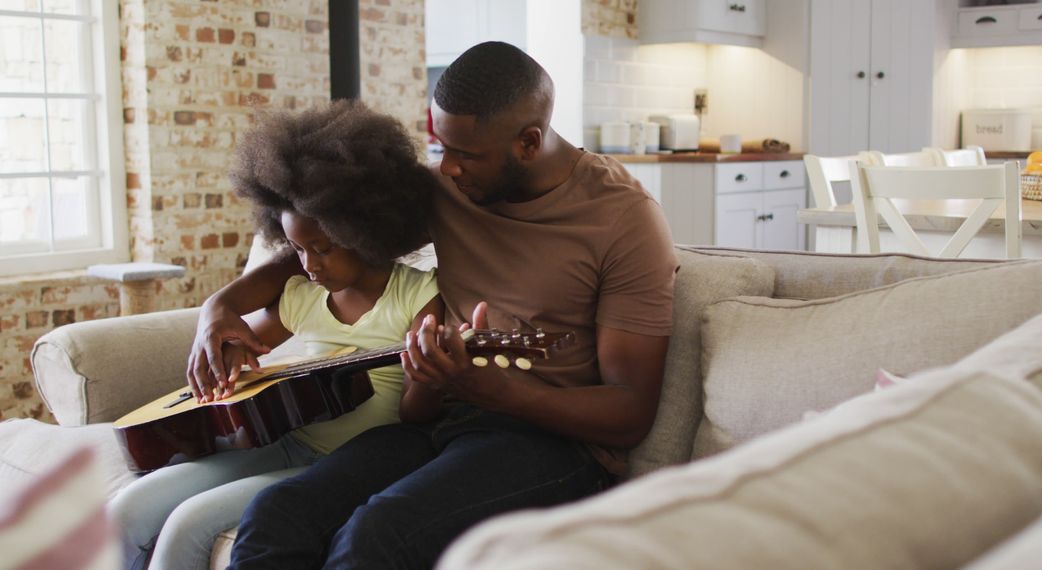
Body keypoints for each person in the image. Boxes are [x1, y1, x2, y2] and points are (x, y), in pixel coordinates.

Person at [189, 41, 678, 569]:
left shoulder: (623, 221)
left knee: (379, 534)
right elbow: (331, 246)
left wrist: (497, 392)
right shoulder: (457, 187)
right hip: (443, 422)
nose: (446, 171)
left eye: (465, 154)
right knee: (277, 512)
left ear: (528, 142)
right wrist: (219, 307)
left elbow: (630, 413)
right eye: (440, 147)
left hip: (557, 446)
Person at [109, 100, 445, 570]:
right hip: (284, 439)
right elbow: (246, 342)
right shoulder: (302, 294)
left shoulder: (417, 297)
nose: (308, 264)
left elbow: (416, 417)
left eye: (323, 249)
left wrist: (429, 376)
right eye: (297, 249)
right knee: (125, 510)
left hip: (340, 465)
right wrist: (225, 352)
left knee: (190, 522)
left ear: (366, 232)